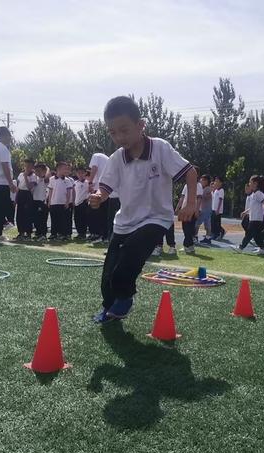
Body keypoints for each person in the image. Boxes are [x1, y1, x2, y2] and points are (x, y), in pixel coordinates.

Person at [89, 96, 197, 323]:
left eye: (124, 130)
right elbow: (105, 187)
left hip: (156, 219)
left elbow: (190, 171)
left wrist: (191, 203)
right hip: (125, 222)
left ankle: (126, 298)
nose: (119, 137)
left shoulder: (160, 148)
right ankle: (109, 308)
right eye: (112, 132)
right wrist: (99, 197)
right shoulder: (117, 158)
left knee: (129, 258)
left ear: (141, 125)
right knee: (108, 277)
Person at [233, 175, 264, 254]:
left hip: (256, 219)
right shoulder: (253, 194)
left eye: (250, 182)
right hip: (253, 218)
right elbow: (252, 207)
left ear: (255, 184)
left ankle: (241, 247)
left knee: (249, 233)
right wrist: (245, 212)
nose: (249, 184)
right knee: (257, 236)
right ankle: (262, 249)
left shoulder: (258, 193)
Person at [175, 168, 202, 253]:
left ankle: (187, 245)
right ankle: (190, 246)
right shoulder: (186, 185)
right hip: (184, 209)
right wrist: (178, 207)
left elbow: (199, 198)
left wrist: (197, 210)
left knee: (189, 228)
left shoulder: (198, 185)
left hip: (192, 210)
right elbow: (182, 197)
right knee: (185, 228)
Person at [48, 162, 74, 241]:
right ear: (58, 169)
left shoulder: (67, 180)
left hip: (63, 203)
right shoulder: (52, 179)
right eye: (64, 169)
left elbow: (69, 192)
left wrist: (67, 202)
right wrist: (49, 201)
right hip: (54, 202)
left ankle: (62, 234)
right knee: (54, 219)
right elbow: (50, 191)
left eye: (66, 169)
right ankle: (53, 234)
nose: (66, 170)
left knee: (63, 219)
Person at [88, 149, 109, 242]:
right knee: (106, 215)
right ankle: (105, 236)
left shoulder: (96, 155)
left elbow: (94, 168)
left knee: (97, 214)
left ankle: (98, 235)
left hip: (100, 188)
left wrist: (90, 182)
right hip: (109, 189)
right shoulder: (107, 158)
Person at [15, 159, 37, 241]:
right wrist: (16, 199)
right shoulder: (20, 174)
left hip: (27, 195)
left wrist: (26, 176)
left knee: (27, 215)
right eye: (26, 165)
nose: (27, 167)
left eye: (29, 166)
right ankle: (20, 233)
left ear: (32, 167)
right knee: (19, 215)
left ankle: (28, 233)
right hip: (20, 194)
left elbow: (30, 187)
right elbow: (18, 187)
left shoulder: (33, 176)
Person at [32, 163, 50, 242]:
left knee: (42, 219)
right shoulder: (35, 179)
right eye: (36, 171)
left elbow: (47, 173)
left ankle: (43, 235)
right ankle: (38, 233)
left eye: (39, 171)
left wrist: (47, 168)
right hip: (35, 201)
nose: (37, 172)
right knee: (36, 219)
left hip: (42, 201)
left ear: (44, 171)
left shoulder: (45, 179)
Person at [73, 166, 90, 240]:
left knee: (84, 219)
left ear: (85, 173)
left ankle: (83, 233)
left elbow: (90, 191)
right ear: (76, 174)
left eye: (82, 173)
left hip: (84, 203)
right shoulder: (74, 183)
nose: (80, 174)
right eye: (79, 173)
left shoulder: (88, 183)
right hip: (76, 203)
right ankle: (79, 233)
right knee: (77, 219)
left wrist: (87, 198)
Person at [197, 174, 213, 245]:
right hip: (204, 209)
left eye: (203, 180)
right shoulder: (202, 188)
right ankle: (207, 237)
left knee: (197, 224)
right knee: (206, 224)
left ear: (207, 181)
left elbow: (208, 196)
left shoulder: (207, 189)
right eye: (201, 179)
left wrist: (202, 195)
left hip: (205, 210)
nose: (201, 181)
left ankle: (196, 236)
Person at [211, 176, 225, 240]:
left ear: (221, 183)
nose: (215, 182)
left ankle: (218, 233)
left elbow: (220, 200)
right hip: (213, 209)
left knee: (217, 223)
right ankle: (215, 233)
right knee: (213, 222)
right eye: (215, 181)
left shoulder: (221, 190)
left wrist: (218, 210)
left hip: (218, 210)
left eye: (217, 181)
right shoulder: (216, 190)